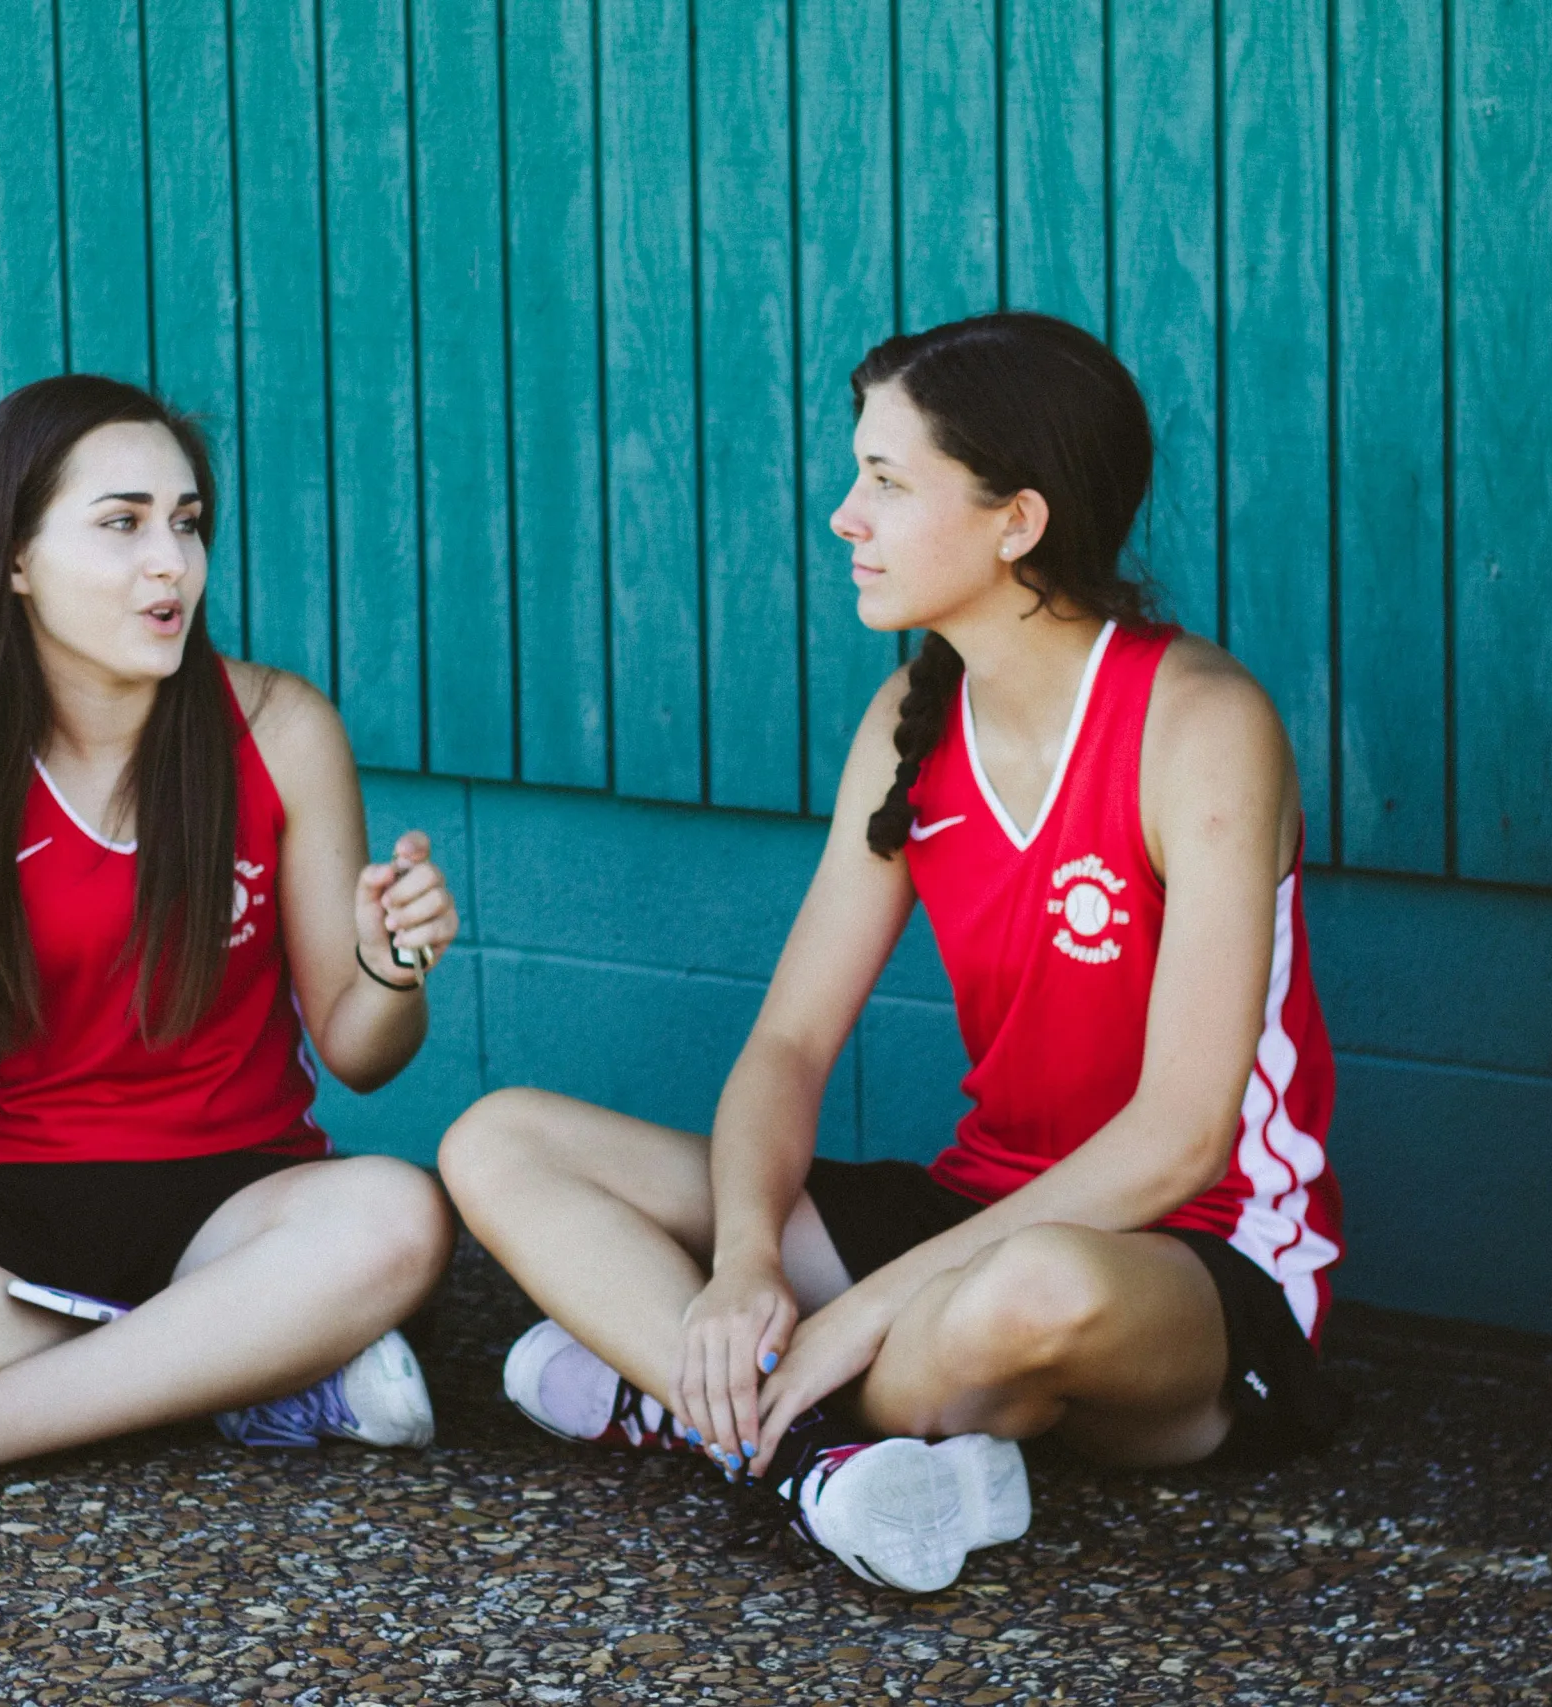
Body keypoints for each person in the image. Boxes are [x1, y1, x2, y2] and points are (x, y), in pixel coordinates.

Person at [439, 312, 1347, 1594]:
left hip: (1184, 1265)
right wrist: (748, 1263)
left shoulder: (1200, 724)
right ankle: (813, 1451)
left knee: (1021, 1294)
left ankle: (688, 1402)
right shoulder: (910, 722)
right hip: (970, 1209)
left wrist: (856, 1310)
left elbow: (1183, 1137)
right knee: (499, 1139)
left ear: (1015, 521)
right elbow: (791, 1045)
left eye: (885, 480)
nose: (842, 517)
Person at [0, 375, 461, 1518]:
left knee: (399, 1214)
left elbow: (361, 1050)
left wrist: (393, 966)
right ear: (13, 557)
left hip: (237, 1208)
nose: (172, 563)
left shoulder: (281, 729)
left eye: (187, 522)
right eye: (122, 524)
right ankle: (249, 1370)